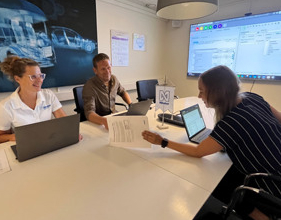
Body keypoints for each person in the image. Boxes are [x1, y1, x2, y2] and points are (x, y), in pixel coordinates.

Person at [142, 65, 281, 220]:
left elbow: (198, 152)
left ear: (217, 92)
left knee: (218, 181)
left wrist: (163, 141)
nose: (199, 96)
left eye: (202, 91)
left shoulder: (231, 122)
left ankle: (259, 216)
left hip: (273, 185)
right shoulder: (253, 97)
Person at [0, 56, 67, 144]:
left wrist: (70, 133)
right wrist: (14, 137)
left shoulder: (48, 95)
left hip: (49, 142)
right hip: (27, 147)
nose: (40, 80)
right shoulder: (4, 107)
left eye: (41, 76)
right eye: (33, 77)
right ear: (17, 79)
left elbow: (64, 121)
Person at [82, 53, 132, 129]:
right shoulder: (90, 86)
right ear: (95, 70)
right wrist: (104, 121)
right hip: (99, 122)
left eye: (108, 67)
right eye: (103, 69)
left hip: (113, 116)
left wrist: (131, 105)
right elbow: (89, 113)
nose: (107, 71)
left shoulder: (114, 79)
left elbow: (122, 92)